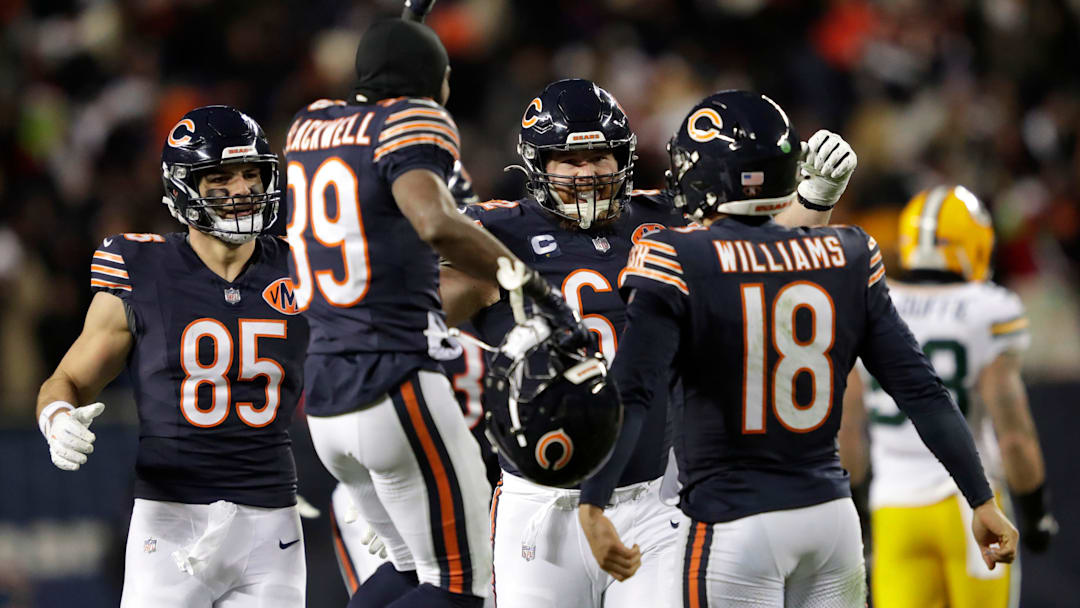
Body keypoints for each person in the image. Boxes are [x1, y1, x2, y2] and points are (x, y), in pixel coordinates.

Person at [579, 90, 1020, 607]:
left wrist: (594, 501)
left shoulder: (674, 256)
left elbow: (633, 391)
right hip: (830, 521)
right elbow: (922, 392)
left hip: (732, 522)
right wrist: (980, 498)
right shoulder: (849, 252)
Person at [440, 78, 855, 607]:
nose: (588, 173)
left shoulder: (667, 219)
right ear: (538, 164)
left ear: (625, 157)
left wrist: (815, 197)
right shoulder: (496, 233)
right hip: (540, 507)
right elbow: (413, 316)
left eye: (601, 156)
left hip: (651, 503)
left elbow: (764, 259)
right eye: (570, 160)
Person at [282, 17, 585, 608]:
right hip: (393, 381)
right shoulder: (414, 119)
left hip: (325, 396)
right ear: (431, 79)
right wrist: (525, 280)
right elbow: (435, 221)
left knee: (407, 568)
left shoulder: (307, 124)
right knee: (465, 587)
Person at [36, 105, 309, 607]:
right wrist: (56, 416)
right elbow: (68, 379)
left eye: (251, 173)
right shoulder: (142, 268)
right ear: (184, 187)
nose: (242, 188)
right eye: (221, 177)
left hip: (273, 521)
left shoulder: (304, 268)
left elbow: (354, 371)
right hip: (170, 519)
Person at [836, 185, 1057, 608]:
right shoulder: (988, 308)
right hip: (970, 505)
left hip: (892, 508)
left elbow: (849, 429)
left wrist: (858, 511)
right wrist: (1035, 514)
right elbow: (1014, 436)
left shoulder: (873, 301)